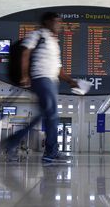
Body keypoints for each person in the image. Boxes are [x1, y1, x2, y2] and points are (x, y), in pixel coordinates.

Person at [19, 12, 78, 163]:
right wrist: (24, 75)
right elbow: (25, 53)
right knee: (52, 115)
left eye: (60, 22)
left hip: (51, 81)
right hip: (42, 78)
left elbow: (58, 69)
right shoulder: (38, 35)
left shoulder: (54, 43)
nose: (59, 25)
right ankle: (51, 153)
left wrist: (70, 81)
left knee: (46, 116)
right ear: (46, 22)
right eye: (56, 21)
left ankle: (12, 143)